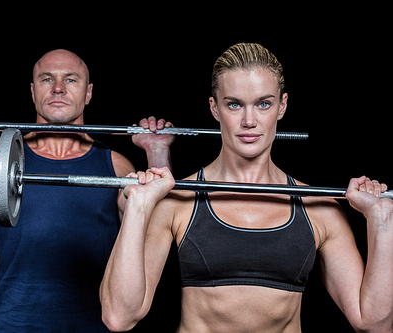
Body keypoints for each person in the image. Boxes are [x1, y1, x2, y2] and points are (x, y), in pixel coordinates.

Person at [100, 43, 393, 332]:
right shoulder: (178, 200)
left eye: (263, 104)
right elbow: (119, 317)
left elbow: (374, 323)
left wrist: (381, 221)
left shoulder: (319, 207)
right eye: (234, 104)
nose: (249, 121)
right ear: (215, 108)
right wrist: (139, 206)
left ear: (283, 105)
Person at [0, 49, 174, 332]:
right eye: (47, 79)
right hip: (12, 326)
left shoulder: (116, 167)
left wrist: (157, 152)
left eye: (70, 80)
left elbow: (158, 236)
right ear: (33, 92)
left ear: (88, 93)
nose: (58, 88)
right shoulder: (0, 161)